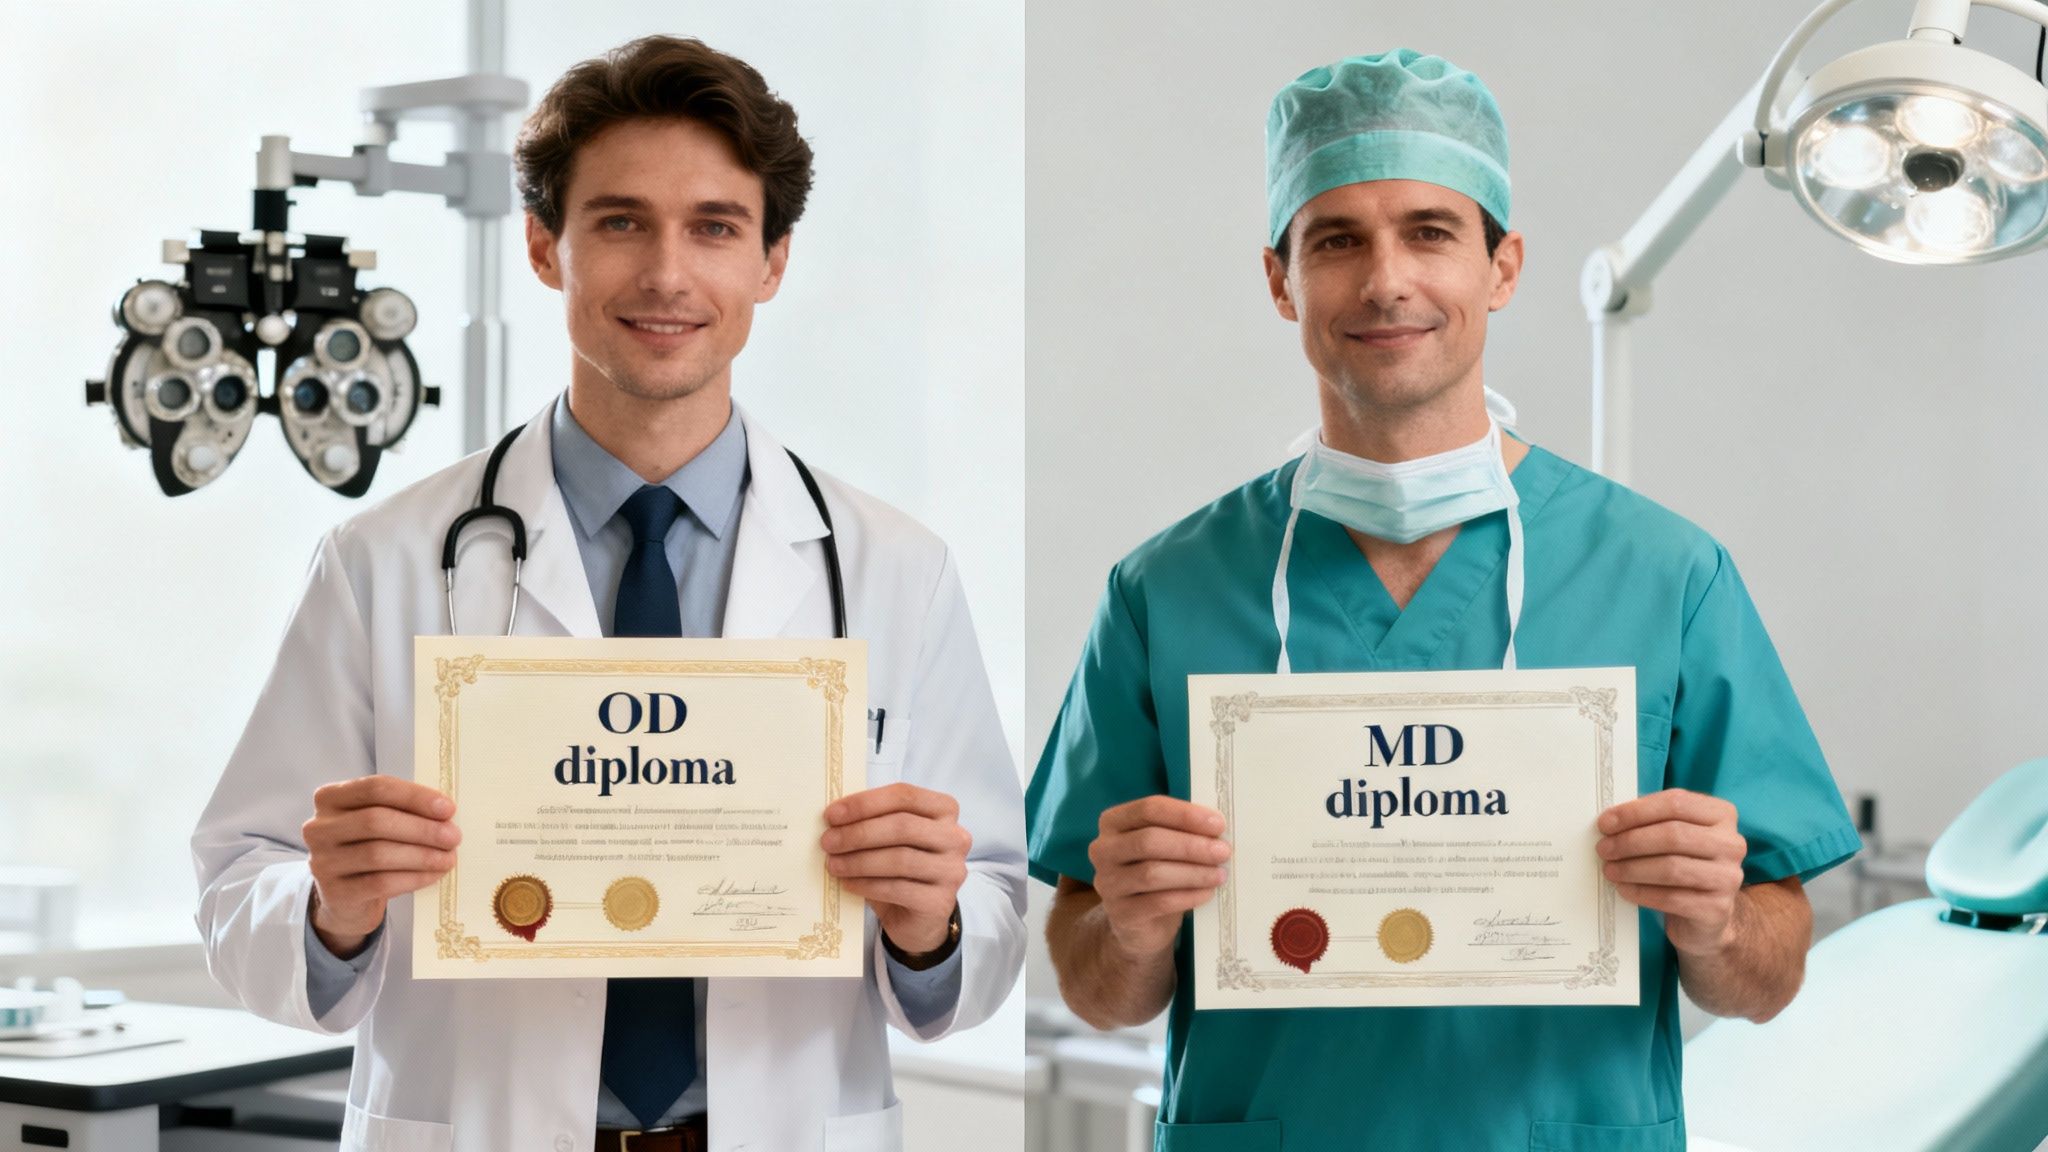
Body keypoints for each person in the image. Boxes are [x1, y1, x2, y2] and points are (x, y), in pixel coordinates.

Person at [192, 36, 1023, 1152]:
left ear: (772, 262)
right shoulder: (381, 560)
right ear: (546, 247)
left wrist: (933, 924)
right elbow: (239, 885)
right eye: (620, 221)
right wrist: (331, 909)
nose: (667, 275)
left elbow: (996, 918)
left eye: (715, 227)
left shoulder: (892, 568)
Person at [1026, 48, 1860, 1151]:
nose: (1383, 281)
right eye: (1335, 240)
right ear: (1279, 281)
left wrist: (1712, 923)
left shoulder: (1665, 577)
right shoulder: (1162, 594)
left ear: (1501, 266)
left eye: (1428, 231)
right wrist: (1128, 929)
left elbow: (1768, 972)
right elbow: (1095, 982)